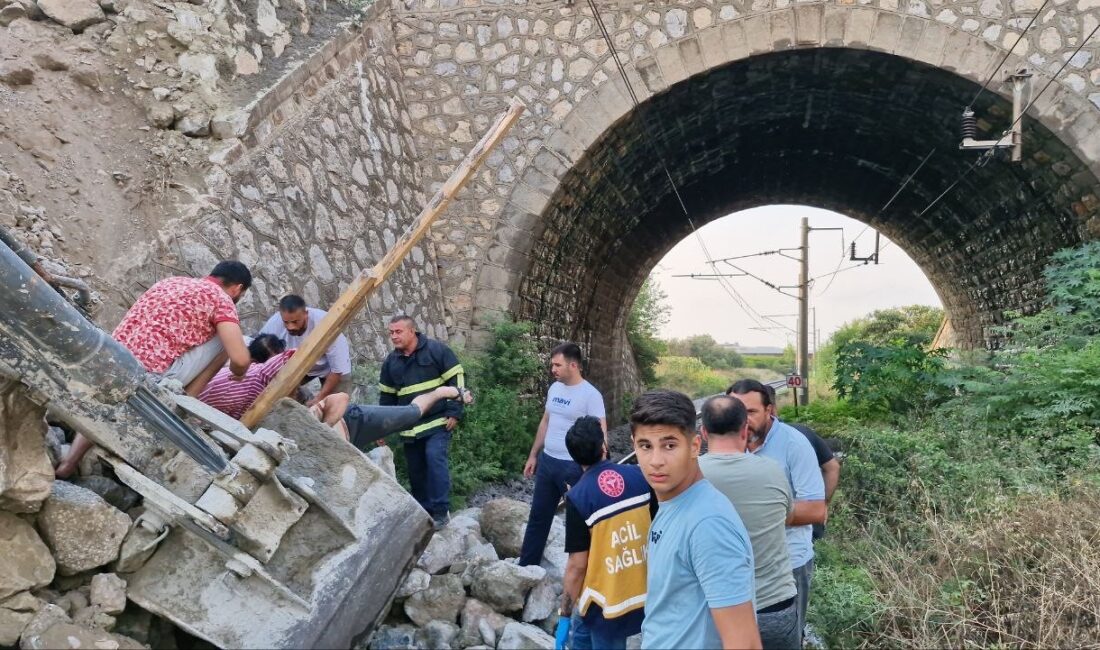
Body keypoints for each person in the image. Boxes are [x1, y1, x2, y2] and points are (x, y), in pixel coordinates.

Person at [56, 261, 253, 478]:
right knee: (228, 341)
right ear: (237, 288)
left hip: (111, 358)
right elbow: (241, 359)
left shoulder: (170, 282)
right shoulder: (222, 300)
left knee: (108, 402)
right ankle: (183, 404)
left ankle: (70, 461)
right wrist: (238, 372)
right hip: (152, 374)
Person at [630, 390, 761, 650]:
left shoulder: (707, 524)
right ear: (634, 445)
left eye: (670, 445)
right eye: (646, 446)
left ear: (694, 446)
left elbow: (744, 643)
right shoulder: (674, 503)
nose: (656, 461)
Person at [728, 379, 826, 645]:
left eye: (750, 412)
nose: (743, 420)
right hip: (739, 564)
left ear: (770, 410)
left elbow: (817, 510)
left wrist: (761, 514)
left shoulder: (794, 445)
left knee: (786, 640)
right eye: (737, 412)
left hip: (787, 566)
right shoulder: (728, 445)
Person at [699, 396, 799, 650]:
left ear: (703, 432)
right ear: (745, 430)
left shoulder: (690, 475)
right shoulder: (773, 470)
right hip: (774, 605)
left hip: (715, 611)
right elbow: (787, 518)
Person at [562, 416, 654, 650]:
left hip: (605, 604)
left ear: (574, 458)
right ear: (604, 446)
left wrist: (563, 615)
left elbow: (577, 565)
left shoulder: (578, 497)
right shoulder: (639, 476)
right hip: (642, 589)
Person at [519, 342, 606, 567]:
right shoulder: (554, 388)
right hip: (548, 462)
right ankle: (527, 567)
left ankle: (584, 570)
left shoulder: (590, 395)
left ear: (573, 365)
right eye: (552, 365)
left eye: (557, 365)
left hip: (574, 467)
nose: (553, 369)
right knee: (538, 517)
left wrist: (598, 470)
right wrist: (533, 455)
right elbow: (546, 421)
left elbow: (600, 435)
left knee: (581, 522)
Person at [380, 314, 465, 528]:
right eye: (391, 332)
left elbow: (457, 378)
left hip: (438, 422)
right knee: (415, 470)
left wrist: (455, 411)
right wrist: (381, 428)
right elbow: (387, 398)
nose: (394, 336)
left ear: (412, 331)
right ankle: (424, 514)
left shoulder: (437, 351)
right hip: (410, 427)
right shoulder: (391, 362)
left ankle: (440, 512)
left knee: (434, 457)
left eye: (398, 332)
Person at [763, 385, 841, 540]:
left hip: (780, 532)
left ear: (768, 409)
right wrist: (824, 502)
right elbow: (833, 467)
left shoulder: (794, 437)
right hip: (805, 527)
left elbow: (833, 467)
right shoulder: (802, 432)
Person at [259, 294, 353, 407]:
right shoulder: (275, 322)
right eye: (286, 322)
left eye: (295, 322)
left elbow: (337, 370)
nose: (290, 327)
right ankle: (303, 406)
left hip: (331, 369)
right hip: (299, 365)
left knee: (337, 405)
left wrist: (320, 398)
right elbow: (260, 348)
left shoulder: (326, 324)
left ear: (306, 314)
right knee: (278, 394)